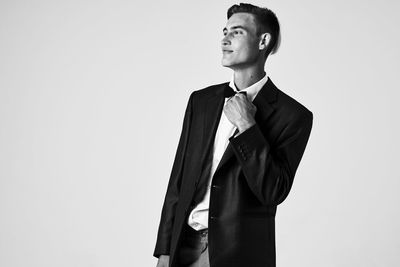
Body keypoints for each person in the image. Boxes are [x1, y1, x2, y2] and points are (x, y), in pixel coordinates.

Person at [154, 3, 313, 267]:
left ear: (263, 41)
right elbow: (178, 181)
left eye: (236, 32)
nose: (224, 39)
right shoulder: (201, 101)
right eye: (224, 31)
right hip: (183, 246)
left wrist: (248, 126)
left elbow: (274, 191)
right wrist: (164, 251)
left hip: (237, 254)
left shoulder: (293, 116)